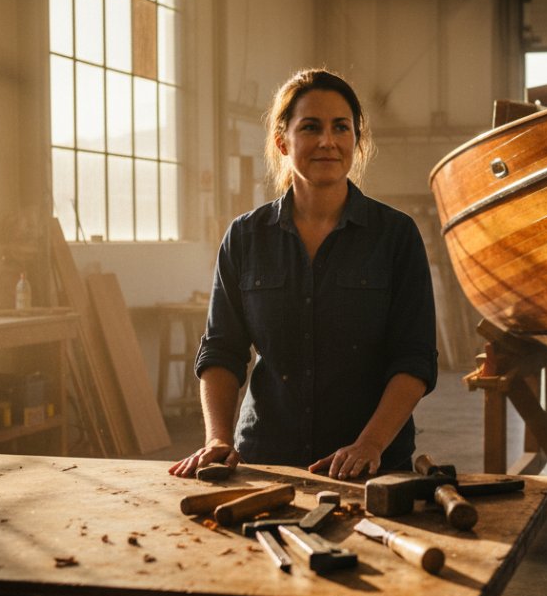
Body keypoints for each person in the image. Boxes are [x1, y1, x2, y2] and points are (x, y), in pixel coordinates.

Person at [169, 68, 437, 481]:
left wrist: (370, 443)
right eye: (310, 127)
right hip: (265, 461)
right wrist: (218, 439)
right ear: (282, 141)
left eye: (340, 128)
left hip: (372, 467)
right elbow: (222, 350)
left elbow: (414, 357)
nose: (327, 141)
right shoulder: (245, 238)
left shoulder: (396, 237)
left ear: (356, 141)